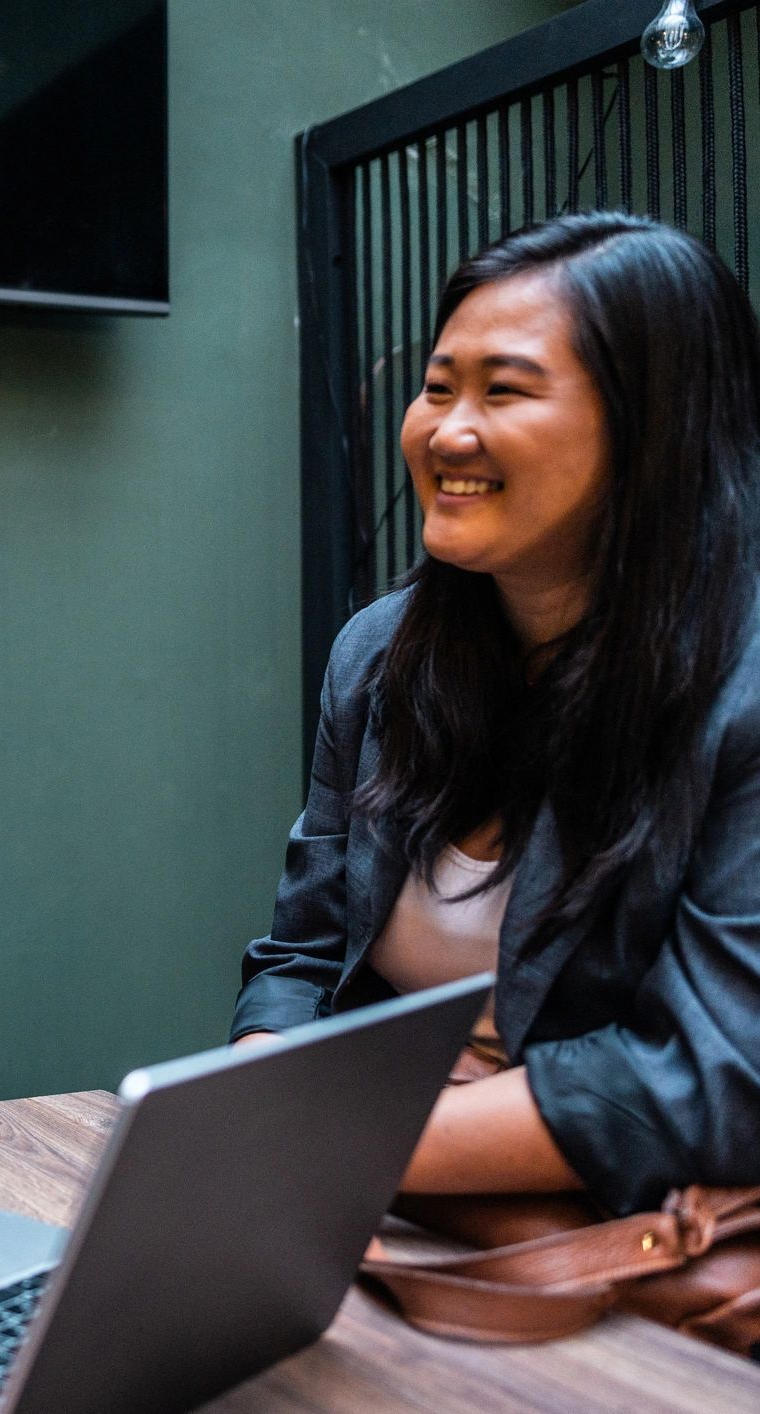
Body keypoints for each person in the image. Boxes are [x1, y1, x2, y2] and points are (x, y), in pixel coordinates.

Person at [234, 212, 760, 1216]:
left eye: (504, 390)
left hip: (625, 1240)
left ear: (654, 425)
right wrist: (258, 1094)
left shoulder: (740, 686)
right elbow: (302, 955)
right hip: (368, 1196)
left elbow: (717, 1074)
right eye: (437, 388)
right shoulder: (377, 654)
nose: (447, 431)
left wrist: (332, 1144)